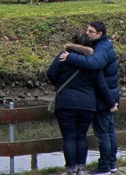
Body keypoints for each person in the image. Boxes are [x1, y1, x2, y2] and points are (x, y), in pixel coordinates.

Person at [49, 31, 117, 175]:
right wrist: (111, 104)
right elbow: (101, 86)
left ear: (73, 41)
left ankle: (71, 170)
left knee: (69, 137)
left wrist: (60, 85)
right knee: (81, 136)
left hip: (66, 102)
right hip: (87, 104)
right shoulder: (91, 60)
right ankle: (81, 169)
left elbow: (51, 74)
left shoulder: (64, 56)